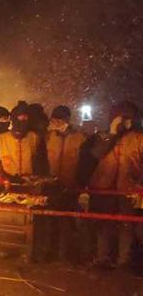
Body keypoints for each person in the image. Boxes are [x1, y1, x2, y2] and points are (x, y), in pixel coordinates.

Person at [87, 102, 143, 268]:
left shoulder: (139, 138)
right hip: (104, 188)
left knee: (126, 226)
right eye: (121, 118)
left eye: (128, 118)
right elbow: (94, 156)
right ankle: (103, 257)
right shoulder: (102, 137)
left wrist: (139, 184)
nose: (125, 122)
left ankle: (123, 260)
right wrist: (112, 133)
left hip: (128, 190)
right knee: (103, 224)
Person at [38, 105, 86, 262]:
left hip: (69, 186)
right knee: (50, 220)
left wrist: (78, 182)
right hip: (51, 185)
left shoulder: (80, 137)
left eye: (59, 119)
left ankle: (66, 255)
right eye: (54, 119)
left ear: (67, 120)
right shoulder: (48, 137)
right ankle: (48, 253)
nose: (56, 123)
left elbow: (84, 162)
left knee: (67, 222)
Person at [0, 101, 47, 179]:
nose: (22, 124)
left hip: (29, 184)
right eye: (19, 119)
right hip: (7, 184)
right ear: (13, 120)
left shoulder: (35, 138)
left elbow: (41, 162)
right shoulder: (0, 139)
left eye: (25, 120)